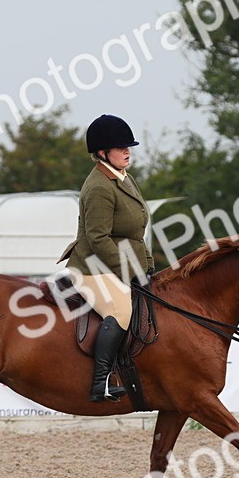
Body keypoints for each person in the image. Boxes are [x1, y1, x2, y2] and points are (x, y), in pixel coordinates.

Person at [58, 114, 154, 402]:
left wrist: (146, 266)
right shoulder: (99, 186)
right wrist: (130, 271)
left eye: (129, 146)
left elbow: (136, 232)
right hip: (92, 269)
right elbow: (99, 239)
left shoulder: (123, 179)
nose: (128, 151)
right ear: (102, 153)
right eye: (121, 147)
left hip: (117, 265)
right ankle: (101, 383)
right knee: (121, 310)